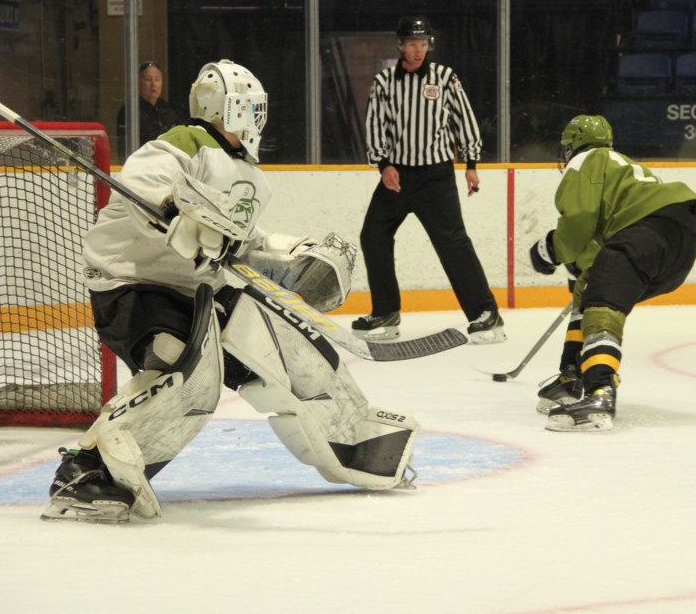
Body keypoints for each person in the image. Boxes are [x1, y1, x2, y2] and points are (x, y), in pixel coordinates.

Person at [42, 60, 419, 524]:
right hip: (136, 285)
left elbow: (242, 242)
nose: (258, 117)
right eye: (251, 108)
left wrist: (295, 255)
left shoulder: (250, 174)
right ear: (232, 109)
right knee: (190, 374)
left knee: (291, 344)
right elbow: (141, 187)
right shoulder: (185, 142)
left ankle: (354, 435)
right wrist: (172, 210)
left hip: (201, 289)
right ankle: (88, 471)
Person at [530, 114, 696, 432]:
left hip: (646, 230)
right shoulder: (619, 165)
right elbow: (602, 241)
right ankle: (572, 378)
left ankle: (599, 392)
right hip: (679, 243)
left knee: (601, 302)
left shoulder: (585, 161)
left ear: (574, 146)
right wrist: (579, 266)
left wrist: (549, 250)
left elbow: (580, 220)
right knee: (592, 286)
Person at [354, 15, 505, 345]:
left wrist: (471, 163)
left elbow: (463, 118)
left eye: (423, 44)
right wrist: (383, 165)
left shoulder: (445, 77)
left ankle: (486, 313)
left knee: (453, 243)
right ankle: (386, 310)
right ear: (400, 46)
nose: (419, 50)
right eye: (412, 44)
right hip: (397, 177)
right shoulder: (383, 83)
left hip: (436, 176)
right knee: (373, 234)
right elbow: (376, 125)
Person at [116, 61, 184, 158]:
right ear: (138, 82)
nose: (153, 84)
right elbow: (123, 149)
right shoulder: (130, 111)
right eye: (148, 79)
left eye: (157, 79)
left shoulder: (168, 109)